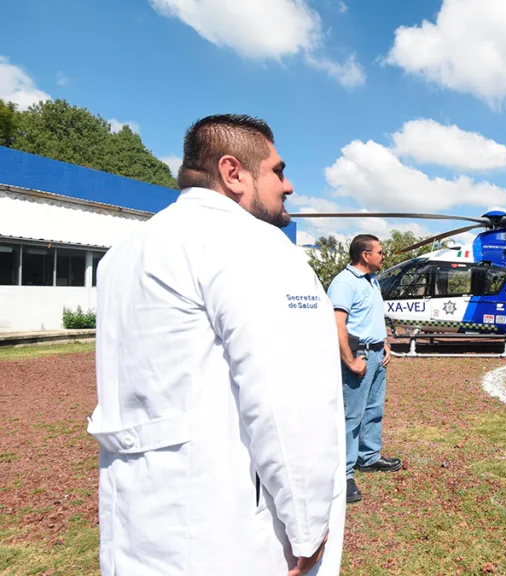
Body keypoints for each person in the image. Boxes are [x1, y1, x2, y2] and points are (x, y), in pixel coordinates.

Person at [88, 114, 346, 576]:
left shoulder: (124, 254)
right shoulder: (257, 247)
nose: (288, 186)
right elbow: (290, 402)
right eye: (277, 171)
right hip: (230, 535)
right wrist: (308, 528)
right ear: (233, 173)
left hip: (135, 528)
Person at [327, 234, 402, 504]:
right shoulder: (344, 283)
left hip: (375, 354)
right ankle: (343, 474)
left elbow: (371, 318)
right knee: (350, 417)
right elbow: (337, 325)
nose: (384, 256)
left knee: (373, 410)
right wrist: (349, 360)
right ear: (365, 255)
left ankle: (368, 457)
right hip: (357, 356)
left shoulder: (372, 281)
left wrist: (383, 344)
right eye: (380, 252)